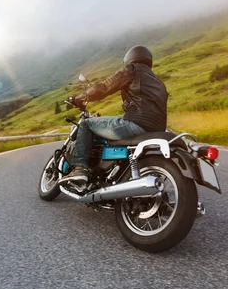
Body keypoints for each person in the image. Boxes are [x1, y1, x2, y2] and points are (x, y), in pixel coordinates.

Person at [59, 45, 168, 189]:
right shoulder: (158, 81)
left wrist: (80, 97)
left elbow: (103, 88)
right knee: (117, 120)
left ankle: (80, 169)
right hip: (157, 129)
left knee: (86, 124)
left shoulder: (132, 69)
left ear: (130, 59)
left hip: (136, 123)